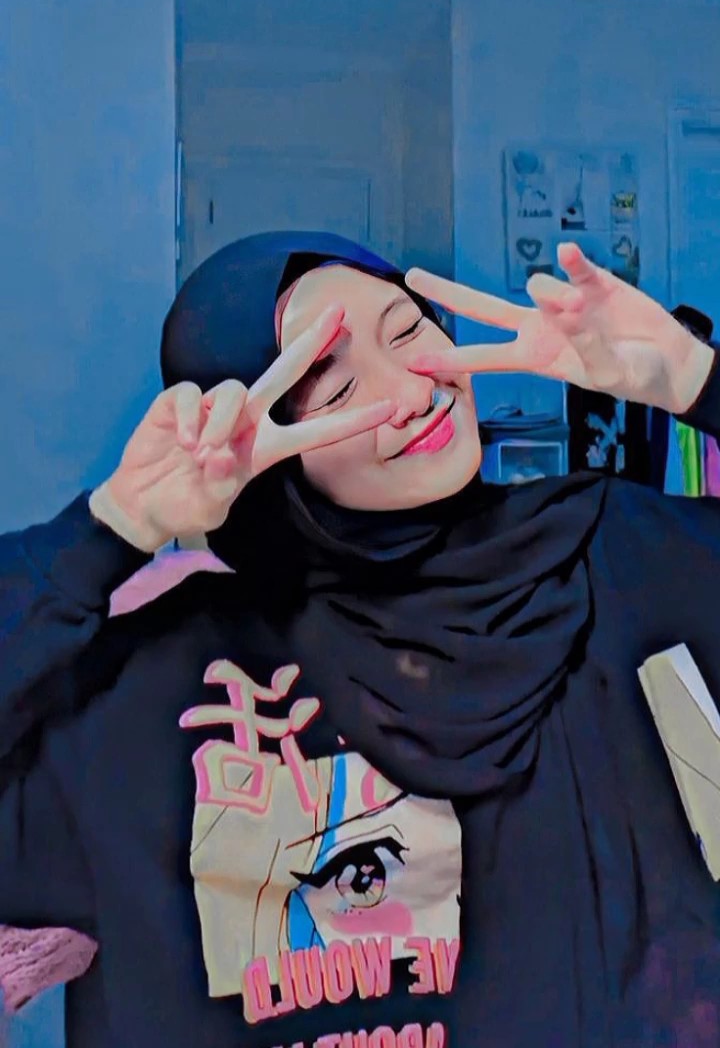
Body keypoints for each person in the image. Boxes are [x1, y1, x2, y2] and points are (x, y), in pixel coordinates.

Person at [1, 229, 720, 1048]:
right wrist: (113, 526)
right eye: (333, 389)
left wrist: (694, 379)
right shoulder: (172, 681)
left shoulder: (614, 550)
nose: (411, 391)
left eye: (409, 331)